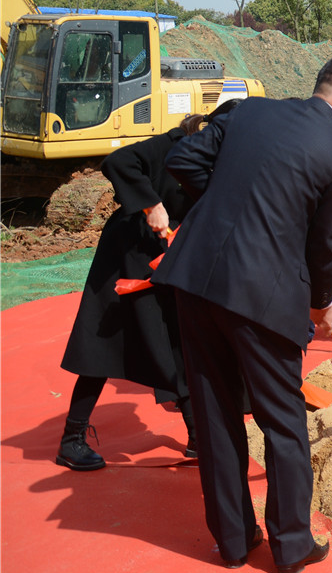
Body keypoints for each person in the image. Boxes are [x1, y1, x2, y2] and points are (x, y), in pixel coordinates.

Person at [154, 52, 332, 573]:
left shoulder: (249, 111)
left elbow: (182, 159)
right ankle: (291, 543)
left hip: (196, 279)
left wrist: (231, 206)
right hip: (263, 296)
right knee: (282, 420)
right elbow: (325, 245)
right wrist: (322, 305)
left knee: (214, 414)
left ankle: (233, 541)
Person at [54, 100, 240, 471]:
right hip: (125, 258)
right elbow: (119, 161)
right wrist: (151, 204)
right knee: (104, 345)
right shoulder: (173, 143)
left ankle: (197, 436)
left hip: (170, 260)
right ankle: (71, 440)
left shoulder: (228, 163)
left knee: (180, 341)